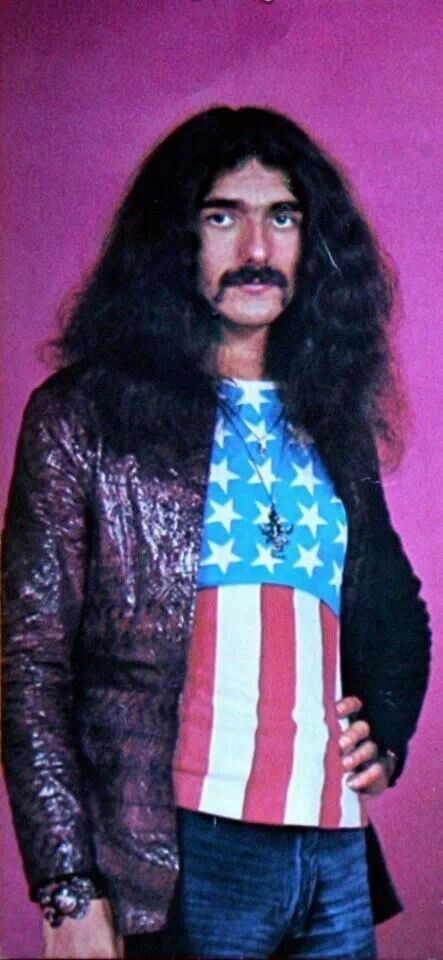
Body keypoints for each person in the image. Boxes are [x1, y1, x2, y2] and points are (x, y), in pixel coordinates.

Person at [2, 106, 431, 960]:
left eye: (284, 217)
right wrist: (67, 886)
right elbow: (30, 664)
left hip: (333, 852)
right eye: (221, 217)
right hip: (182, 855)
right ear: (175, 239)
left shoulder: (331, 423)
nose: (257, 249)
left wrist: (385, 730)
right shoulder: (84, 416)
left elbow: (396, 607)